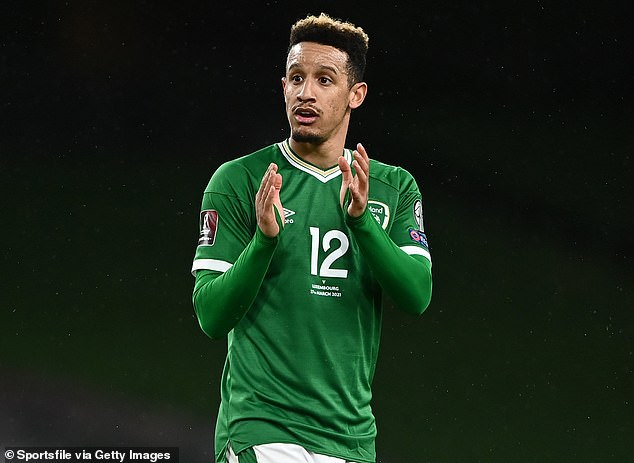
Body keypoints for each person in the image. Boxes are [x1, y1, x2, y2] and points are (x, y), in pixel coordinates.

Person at [191, 13, 432, 463]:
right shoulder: (240, 180)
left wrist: (362, 223)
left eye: (325, 80)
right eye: (297, 78)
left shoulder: (392, 187)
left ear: (355, 94)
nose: (306, 92)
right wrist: (263, 242)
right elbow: (211, 315)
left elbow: (417, 296)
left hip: (351, 439)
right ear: (283, 87)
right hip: (263, 429)